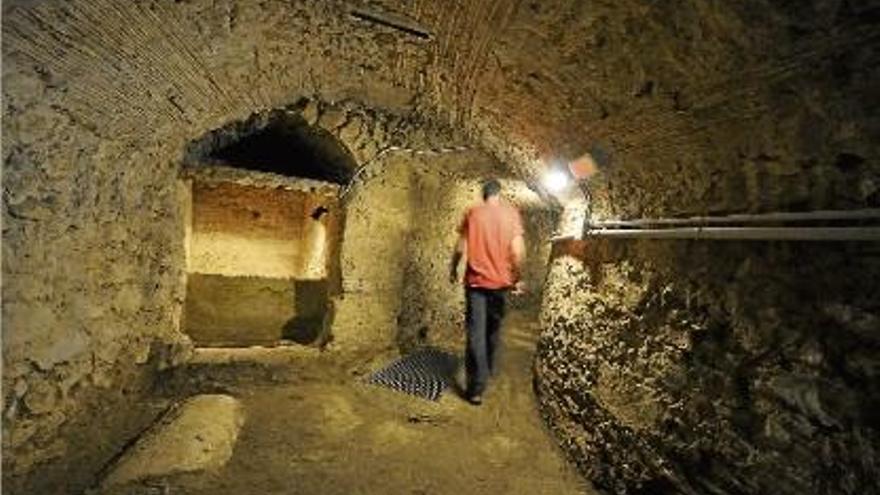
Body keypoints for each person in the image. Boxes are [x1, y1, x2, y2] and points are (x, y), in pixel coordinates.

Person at [449, 179, 525, 405]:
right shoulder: (511, 214)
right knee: (493, 330)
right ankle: (488, 367)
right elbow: (518, 250)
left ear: (484, 195)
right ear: (499, 194)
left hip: (476, 285)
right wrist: (518, 277)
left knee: (476, 334)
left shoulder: (473, 213)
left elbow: (461, 245)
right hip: (501, 284)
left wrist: (453, 267)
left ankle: (476, 388)